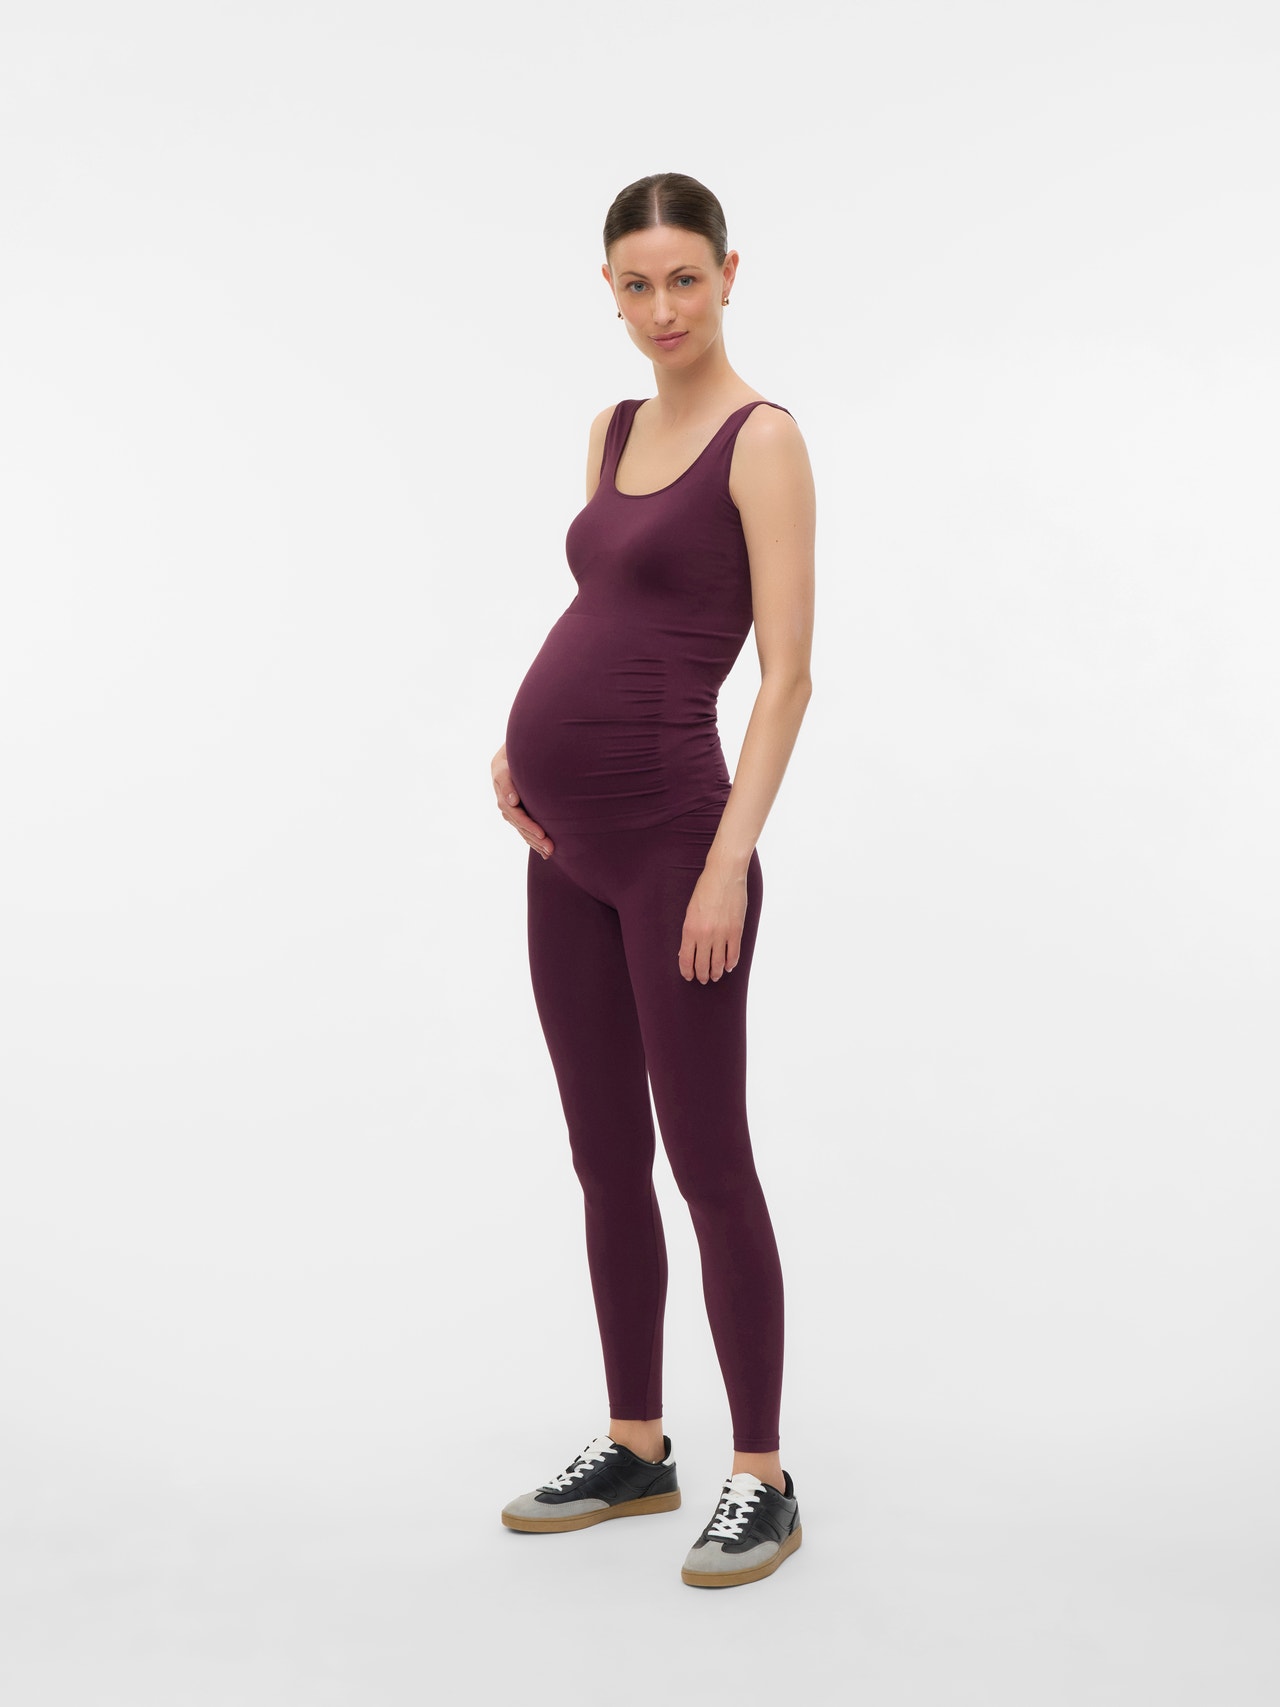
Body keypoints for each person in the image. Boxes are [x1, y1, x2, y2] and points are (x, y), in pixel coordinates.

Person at [490, 171, 816, 1589]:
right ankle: (637, 1445)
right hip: (565, 851)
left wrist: (728, 861)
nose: (663, 308)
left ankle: (763, 1475)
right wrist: (517, 750)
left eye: (686, 278)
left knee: (709, 1161)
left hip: (681, 849)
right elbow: (604, 607)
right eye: (637, 285)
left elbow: (787, 675)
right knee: (604, 1155)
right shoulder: (612, 430)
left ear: (730, 274)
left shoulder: (764, 440)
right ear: (611, 293)